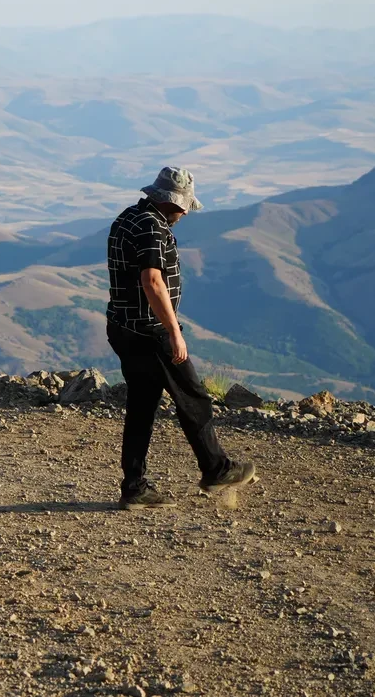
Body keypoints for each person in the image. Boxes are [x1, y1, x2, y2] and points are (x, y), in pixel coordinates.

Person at [105, 167, 256, 510]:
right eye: (183, 205)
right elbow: (152, 281)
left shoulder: (129, 217)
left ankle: (134, 487)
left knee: (142, 405)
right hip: (149, 332)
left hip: (122, 326)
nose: (186, 212)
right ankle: (216, 469)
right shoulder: (152, 227)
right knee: (194, 397)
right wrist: (174, 332)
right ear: (170, 201)